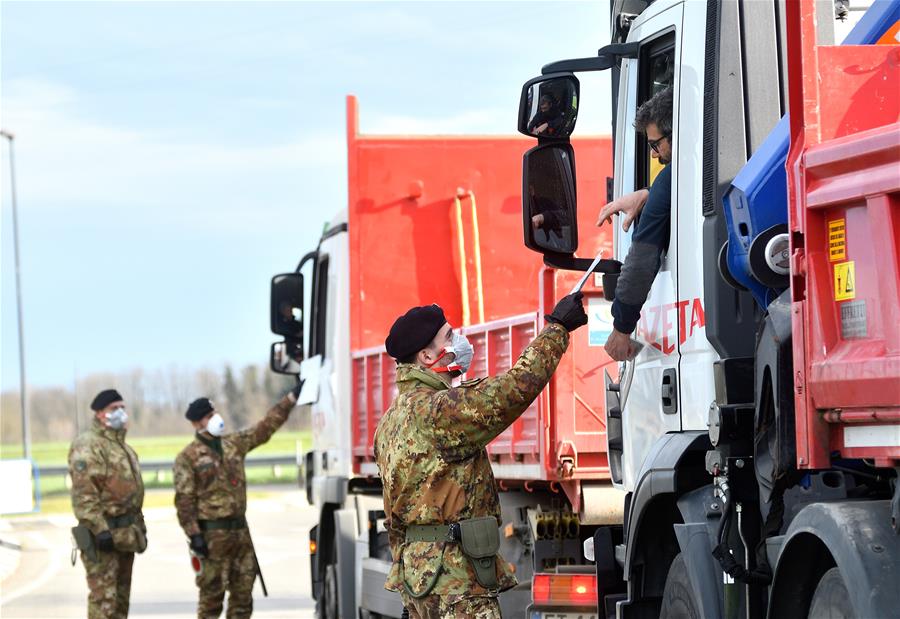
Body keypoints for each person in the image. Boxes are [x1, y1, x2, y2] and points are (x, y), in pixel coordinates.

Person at [374, 294, 588, 618]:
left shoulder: (389, 422)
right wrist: (557, 329)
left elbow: (394, 517)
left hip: (420, 581)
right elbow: (513, 390)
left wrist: (409, 594)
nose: (459, 341)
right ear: (426, 355)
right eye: (449, 336)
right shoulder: (439, 411)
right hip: (457, 582)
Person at [173, 384, 302, 619]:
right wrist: (194, 535)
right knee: (211, 602)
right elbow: (184, 501)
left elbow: (264, 428)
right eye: (209, 416)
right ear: (196, 423)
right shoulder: (187, 457)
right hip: (213, 538)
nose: (216, 419)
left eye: (215, 413)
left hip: (241, 535)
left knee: (243, 599)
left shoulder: (233, 444)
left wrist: (290, 399)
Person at [596, 86, 673, 361]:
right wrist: (650, 195)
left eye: (655, 144)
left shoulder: (668, 179)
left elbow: (642, 260)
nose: (653, 155)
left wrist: (621, 328)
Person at [68, 388, 146, 619]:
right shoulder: (88, 445)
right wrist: (100, 530)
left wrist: (139, 527)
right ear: (100, 413)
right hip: (102, 537)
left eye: (123, 408)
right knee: (104, 604)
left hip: (125, 535)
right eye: (114, 409)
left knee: (120, 604)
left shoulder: (123, 447)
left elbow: (131, 494)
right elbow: (84, 496)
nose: (120, 413)